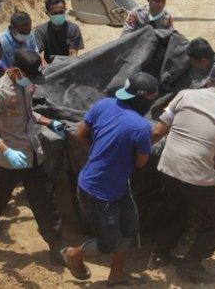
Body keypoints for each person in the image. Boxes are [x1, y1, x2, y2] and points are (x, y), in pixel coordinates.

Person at [0, 49, 68, 257]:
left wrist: (49, 122)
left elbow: (28, 112)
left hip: (33, 154)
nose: (31, 82)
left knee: (45, 203)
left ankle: (56, 246)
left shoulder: (26, 85)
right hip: (11, 160)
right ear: (15, 71)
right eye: (28, 77)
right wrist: (7, 151)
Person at [62, 73, 159, 284]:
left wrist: (102, 152)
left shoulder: (104, 104)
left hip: (113, 185)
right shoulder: (141, 128)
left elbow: (80, 133)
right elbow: (141, 163)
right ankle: (73, 254)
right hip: (98, 192)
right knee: (108, 243)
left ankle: (116, 274)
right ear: (144, 100)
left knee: (128, 229)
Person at [150, 64, 215, 284]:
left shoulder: (185, 95)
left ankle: (161, 253)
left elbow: (158, 131)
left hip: (167, 164)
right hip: (196, 172)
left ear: (209, 81)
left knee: (176, 207)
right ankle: (191, 264)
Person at [33, 0, 84, 64]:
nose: (59, 15)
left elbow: (73, 54)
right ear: (47, 13)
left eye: (61, 12)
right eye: (55, 13)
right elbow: (36, 53)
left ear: (65, 10)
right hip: (49, 67)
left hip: (68, 65)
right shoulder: (41, 31)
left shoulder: (73, 29)